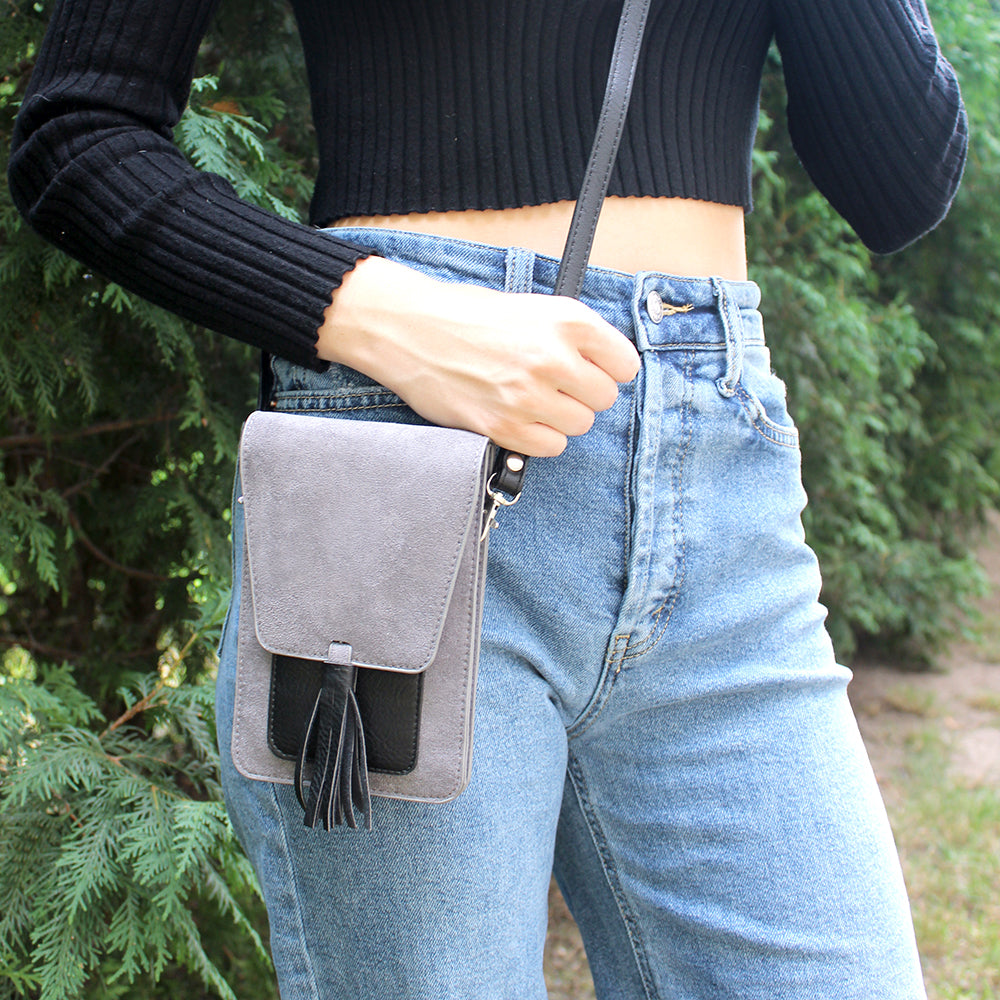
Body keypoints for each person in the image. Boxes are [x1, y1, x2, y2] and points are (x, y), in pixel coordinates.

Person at [9, 1, 967, 997]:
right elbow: (77, 137)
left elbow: (900, 184)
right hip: (406, 474)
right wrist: (391, 317)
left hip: (716, 487)